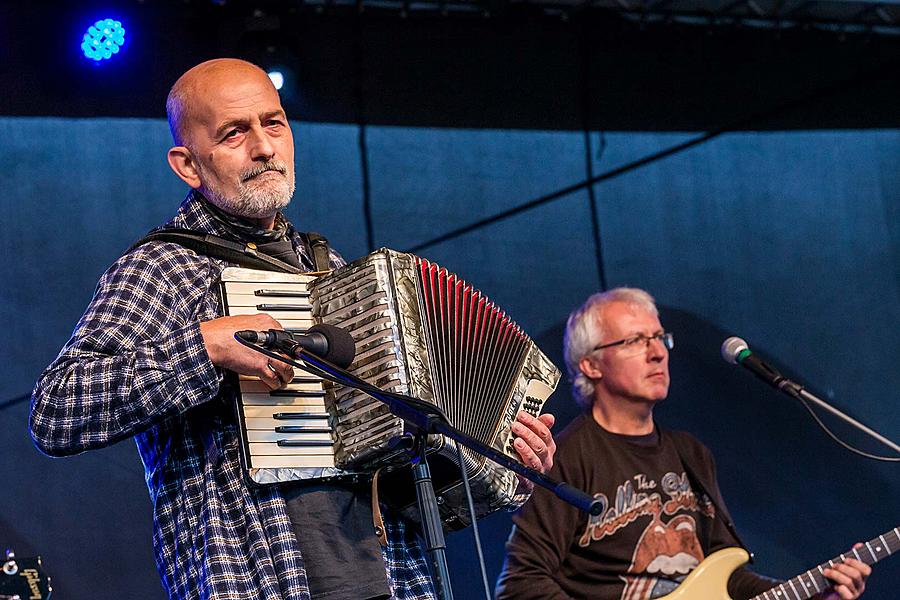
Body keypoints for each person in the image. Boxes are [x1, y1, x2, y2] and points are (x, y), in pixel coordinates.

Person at [29, 58, 556, 600]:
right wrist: (205, 347)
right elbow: (56, 413)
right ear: (188, 165)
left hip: (393, 575)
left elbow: (415, 486)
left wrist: (499, 459)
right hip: (261, 577)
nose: (264, 147)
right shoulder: (166, 267)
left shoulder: (332, 272)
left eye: (274, 123)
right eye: (235, 133)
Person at [495, 288, 872, 600]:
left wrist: (818, 593)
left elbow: (730, 578)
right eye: (635, 341)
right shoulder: (566, 456)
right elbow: (519, 585)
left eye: (660, 338)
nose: (658, 352)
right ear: (591, 365)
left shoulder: (690, 454)